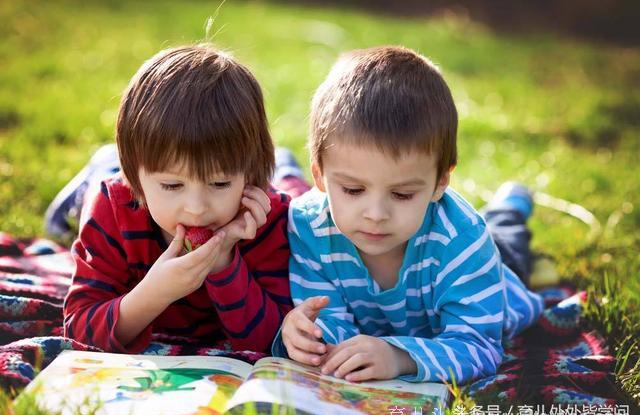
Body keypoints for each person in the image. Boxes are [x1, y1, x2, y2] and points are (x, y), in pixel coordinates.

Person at [273, 46, 543, 384]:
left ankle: (510, 206)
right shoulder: (308, 226)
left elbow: (479, 347)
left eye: (402, 194)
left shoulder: (464, 243)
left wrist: (399, 357)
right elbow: (330, 321)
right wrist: (308, 334)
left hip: (495, 274)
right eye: (353, 190)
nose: (375, 214)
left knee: (506, 236)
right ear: (319, 176)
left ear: (440, 181)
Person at [56, 44, 309, 354]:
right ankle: (104, 162)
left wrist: (223, 263)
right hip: (111, 180)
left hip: (273, 186)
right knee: (65, 217)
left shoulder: (266, 220)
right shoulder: (113, 207)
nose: (197, 208)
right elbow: (79, 329)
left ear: (250, 175)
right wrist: (155, 292)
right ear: (136, 177)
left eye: (219, 182)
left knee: (298, 193)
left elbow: (273, 342)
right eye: (172, 185)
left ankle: (283, 164)